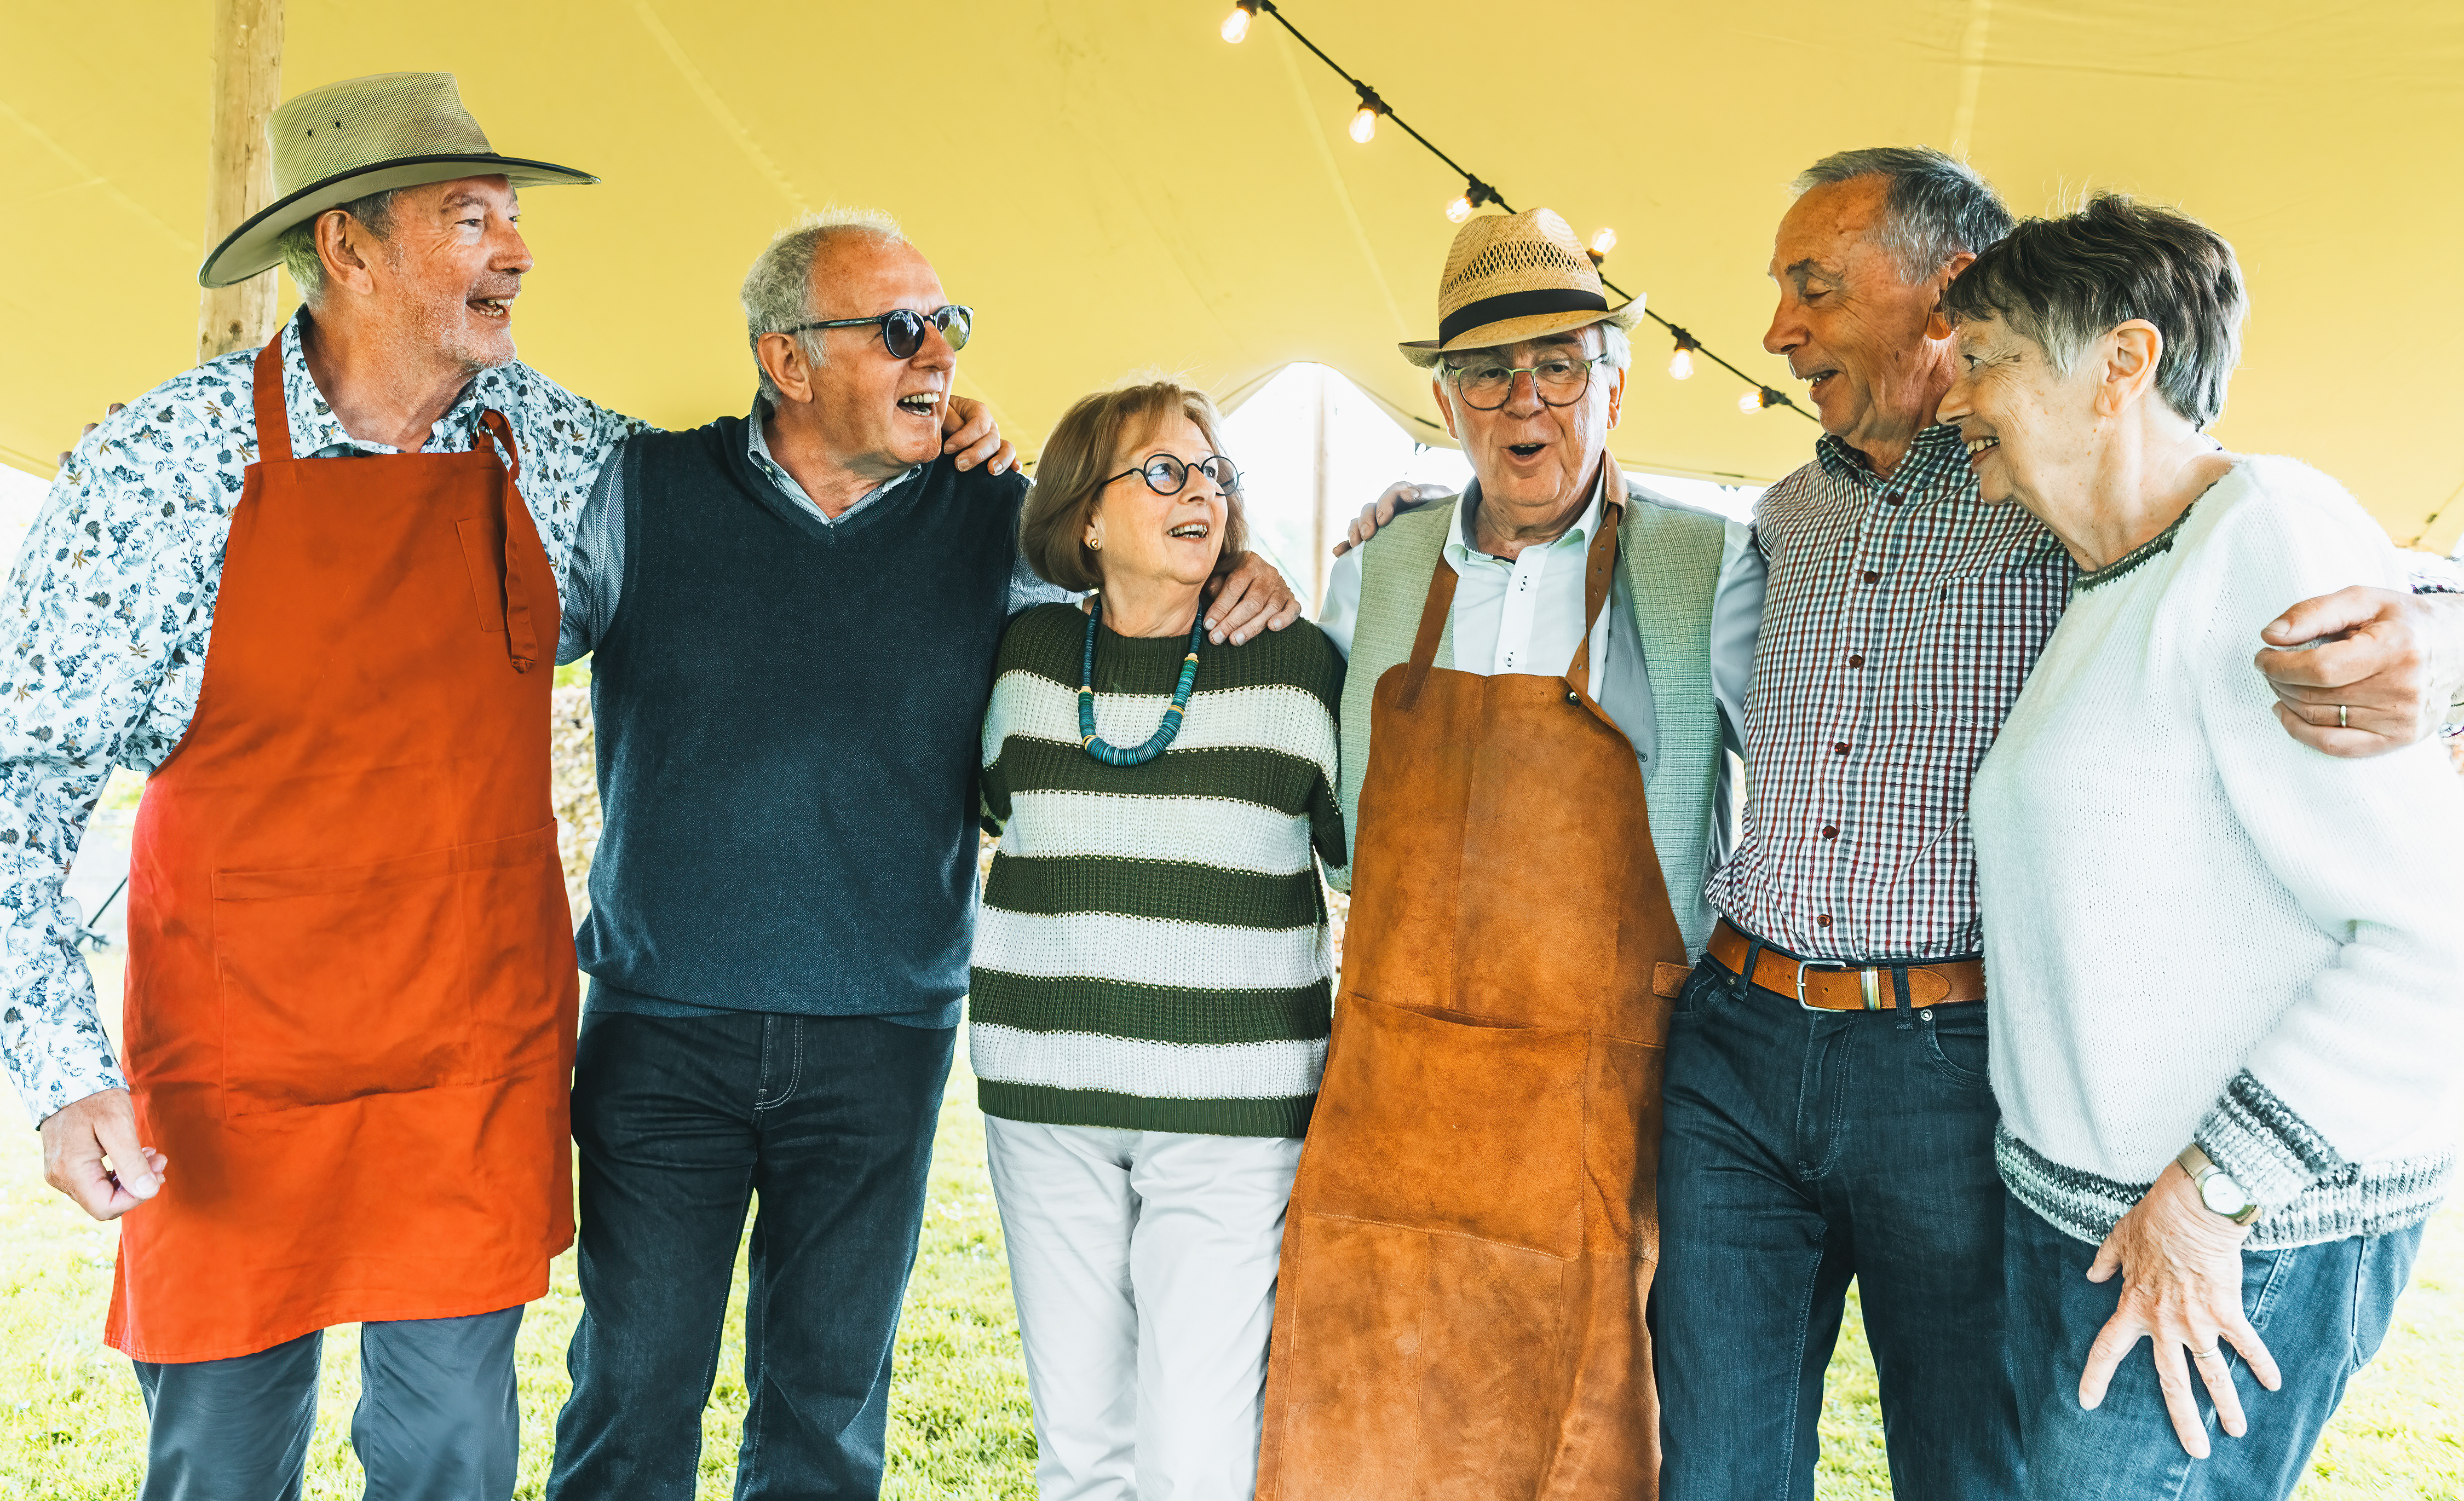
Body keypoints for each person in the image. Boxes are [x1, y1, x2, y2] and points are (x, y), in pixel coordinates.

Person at [1339, 147, 2464, 1498]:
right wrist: (1411, 521)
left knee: (1965, 1467)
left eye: (1813, 285)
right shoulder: (1773, 525)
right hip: (1735, 1050)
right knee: (1711, 1467)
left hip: (1951, 1059)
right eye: (1779, 293)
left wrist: (2423, 640)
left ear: (1948, 296)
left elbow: (2225, 515)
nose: (1776, 329)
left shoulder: (2056, 495)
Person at [2, 72, 1034, 1497]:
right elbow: (21, 784)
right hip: (234, 1082)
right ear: (350, 249)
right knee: (223, 1463)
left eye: (513, 215)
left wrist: (921, 410)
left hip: (465, 1070)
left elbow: (773, 494)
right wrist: (61, 1075)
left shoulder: (563, 453)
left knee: (455, 1457)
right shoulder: (158, 470)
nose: (519, 248)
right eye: (469, 216)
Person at [542, 218, 1300, 1499]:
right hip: (662, 1027)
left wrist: (1249, 564)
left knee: (828, 1415)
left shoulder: (997, 521)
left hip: (880, 1038)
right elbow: (490, 640)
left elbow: (1149, 597)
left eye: (948, 325)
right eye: (899, 328)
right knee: (632, 1390)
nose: (936, 352)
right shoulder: (642, 493)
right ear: (786, 359)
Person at [1945, 195, 2464, 1498]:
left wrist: (2209, 1197)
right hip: (2095, 1221)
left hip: (2230, 1241)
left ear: (2125, 363)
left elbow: (2427, 937)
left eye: (1987, 358)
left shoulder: (2268, 537)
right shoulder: (2121, 581)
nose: (1956, 400)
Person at [1254, 206, 1733, 1500]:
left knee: (1580, 1443)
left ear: (1613, 386)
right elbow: (1345, 837)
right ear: (1446, 401)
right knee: (1357, 1426)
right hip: (1392, 1095)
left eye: (1560, 366)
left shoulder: (1711, 566)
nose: (1527, 401)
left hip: (1593, 1112)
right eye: (1489, 373)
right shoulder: (1385, 564)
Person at [971, 379, 1345, 1500]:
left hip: (1231, 1119)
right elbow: (987, 811)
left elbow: (1362, 854)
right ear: (1085, 517)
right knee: (1083, 1452)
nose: (1203, 491)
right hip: (1044, 1104)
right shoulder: (1024, 656)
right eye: (1165, 471)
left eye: (1215, 472)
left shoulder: (1297, 664)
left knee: (1196, 1463)